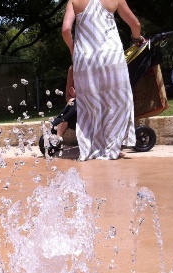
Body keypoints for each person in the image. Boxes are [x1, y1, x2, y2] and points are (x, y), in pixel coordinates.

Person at [62, 0, 145, 160]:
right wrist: (137, 39)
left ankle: (92, 148)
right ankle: (112, 147)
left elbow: (66, 30)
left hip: (85, 58)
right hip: (111, 56)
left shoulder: (74, 1)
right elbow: (135, 24)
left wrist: (74, 50)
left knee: (89, 104)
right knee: (116, 102)